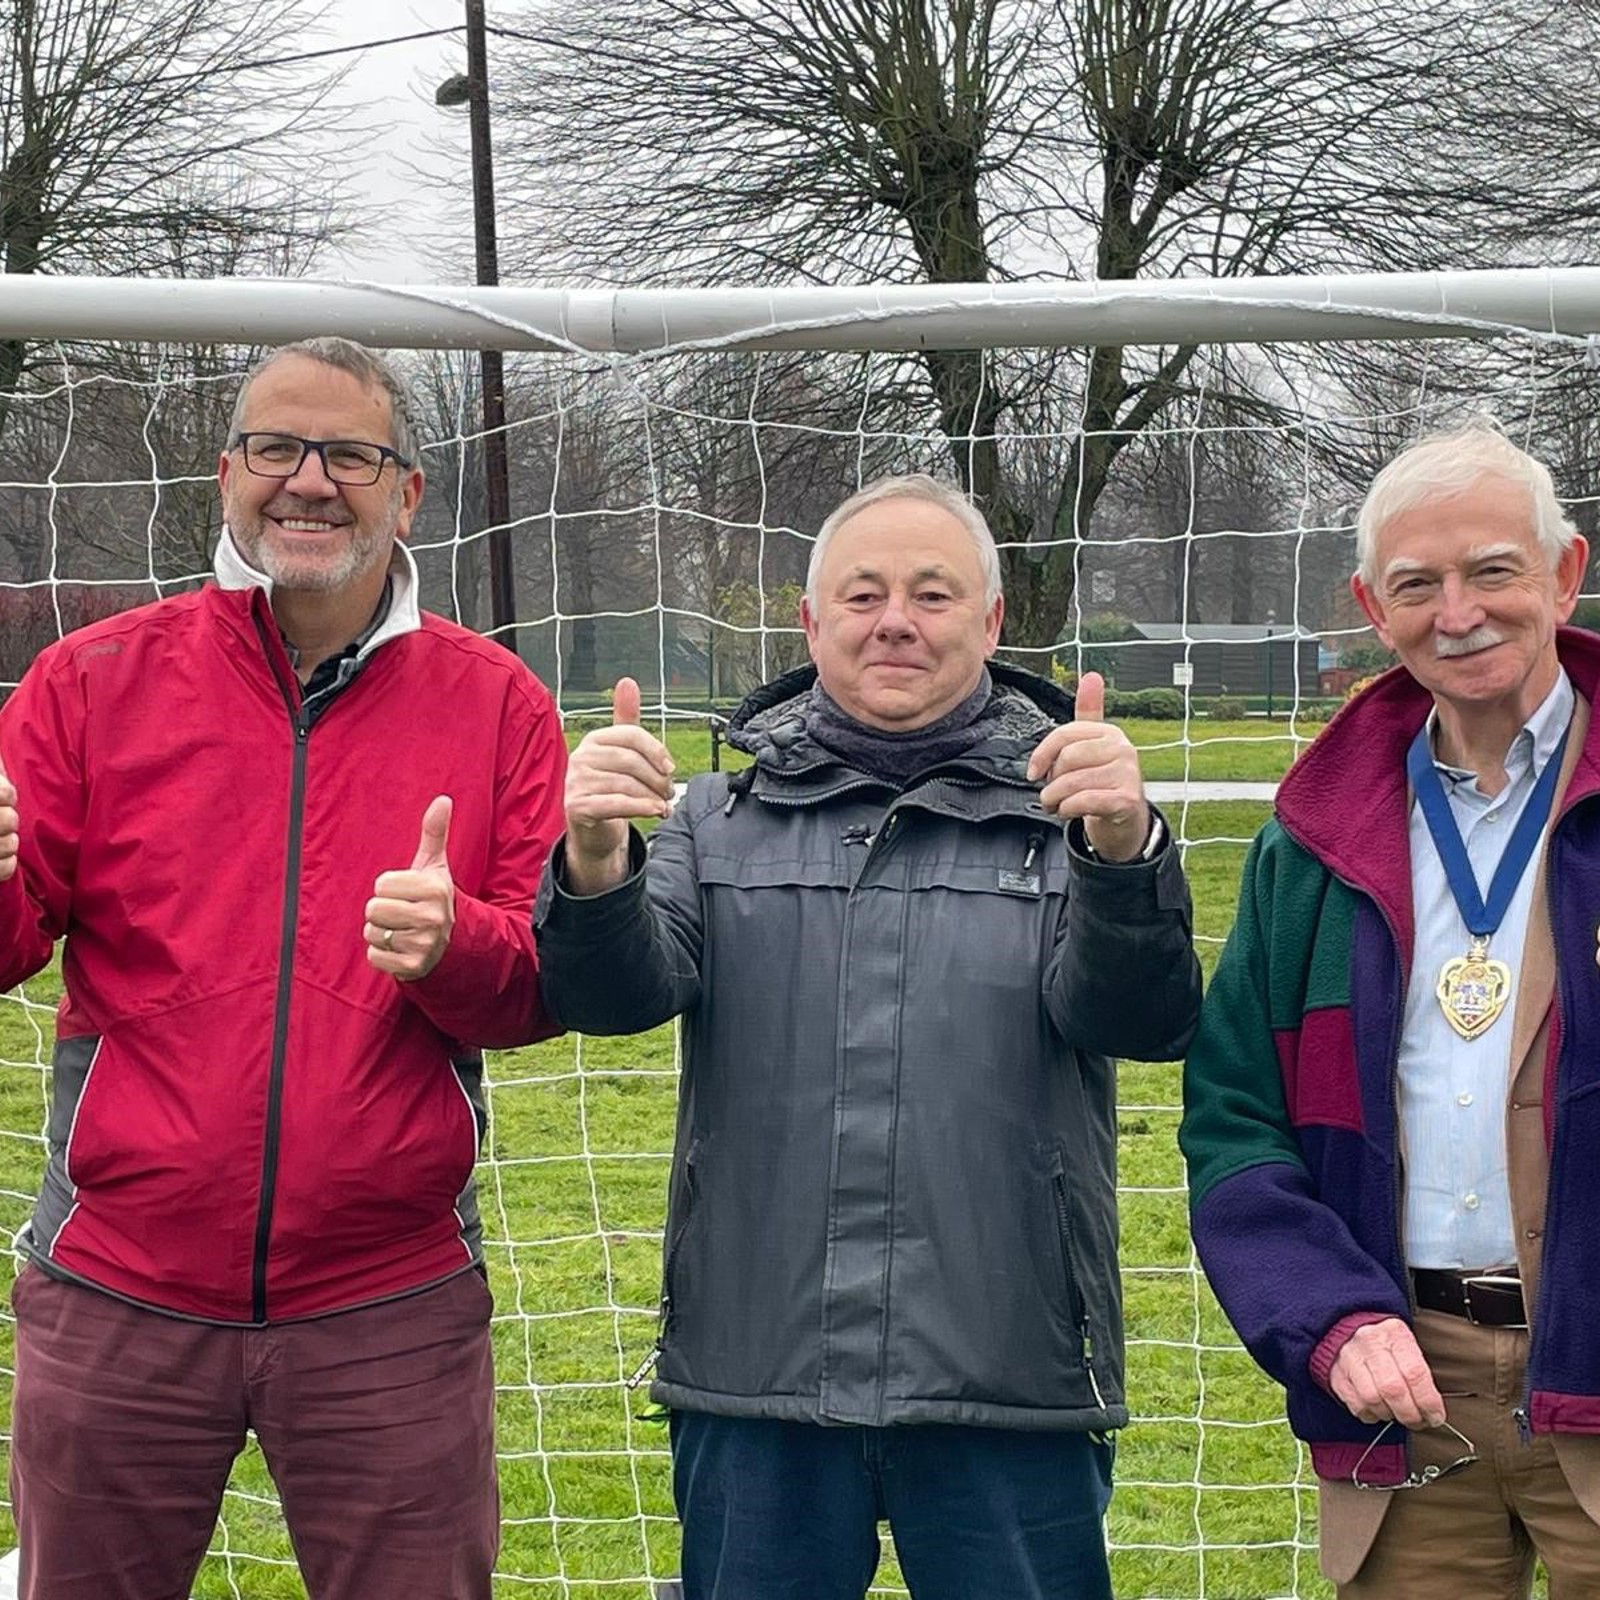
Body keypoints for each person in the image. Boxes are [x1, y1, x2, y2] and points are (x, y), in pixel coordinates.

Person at [535, 474, 1202, 1600]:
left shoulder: (1069, 816)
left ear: (990, 623)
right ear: (811, 622)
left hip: (1008, 1368)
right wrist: (596, 863)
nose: (896, 618)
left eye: (933, 593)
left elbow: (1141, 1018)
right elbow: (615, 998)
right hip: (757, 1368)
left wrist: (1122, 850)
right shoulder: (714, 818)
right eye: (864, 592)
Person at [0, 337, 567, 1600]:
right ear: (226, 473)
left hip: (390, 1305)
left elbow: (540, 988)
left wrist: (453, 945)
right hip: (116, 1292)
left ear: (407, 490)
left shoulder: (500, 704)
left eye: (351, 454)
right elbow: (11, 942)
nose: (308, 481)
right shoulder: (88, 683)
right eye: (276, 448)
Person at [1181, 426, 1600, 1597]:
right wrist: (1331, 1319)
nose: (1455, 611)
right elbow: (1230, 1123)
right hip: (1405, 1387)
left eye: (1491, 570)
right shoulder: (1311, 842)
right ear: (1373, 605)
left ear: (1564, 574)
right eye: (1417, 584)